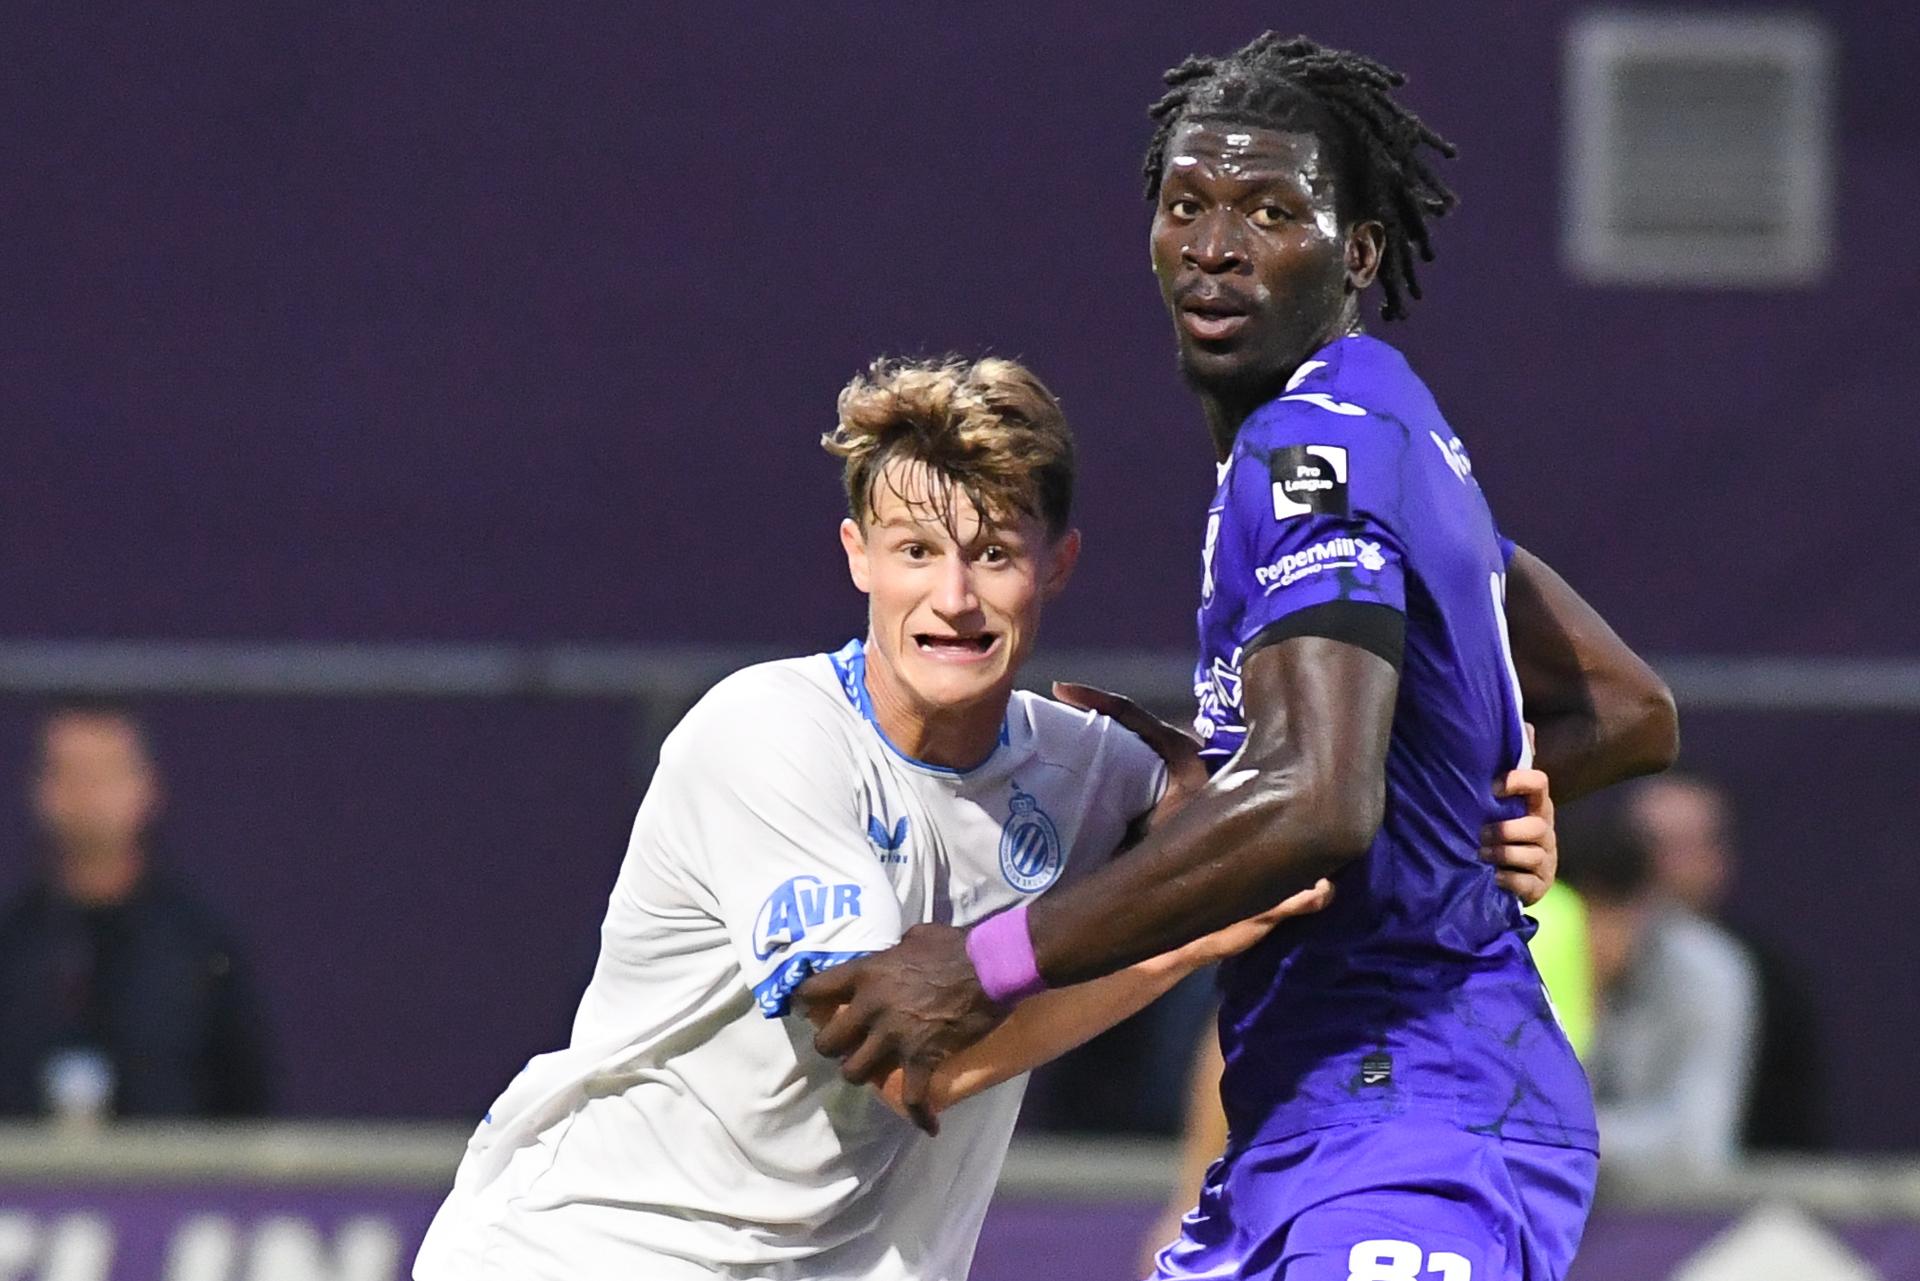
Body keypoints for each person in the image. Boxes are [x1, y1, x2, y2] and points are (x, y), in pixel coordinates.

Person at [799, 34, 1679, 1281]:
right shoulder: (1380, 426)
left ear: (1358, 251)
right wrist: (1462, 813)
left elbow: (1315, 799)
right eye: (1187, 207)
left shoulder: (1312, 456)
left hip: (1416, 1111)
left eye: (1269, 212)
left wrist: (980, 961)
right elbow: (1630, 712)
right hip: (1309, 1116)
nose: (1216, 245)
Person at [411, 355, 1559, 1281]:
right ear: (857, 556)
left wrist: (1483, 829)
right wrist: (1184, 933)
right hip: (588, 1252)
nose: (952, 600)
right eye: (916, 552)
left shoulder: (1085, 765)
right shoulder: (766, 737)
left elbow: (1288, 835)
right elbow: (911, 1064)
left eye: (994, 556)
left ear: (1056, 568)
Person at [0, 701, 273, 1119]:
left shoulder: (199, 948)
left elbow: (248, 1101)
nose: (86, 795)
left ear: (146, 787)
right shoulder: (11, 944)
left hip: (174, 1181)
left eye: (103, 775)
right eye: (69, 774)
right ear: (39, 790)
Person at [1622, 774, 1822, 1151]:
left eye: (1677, 847)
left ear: (1717, 860)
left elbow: (1705, 1141)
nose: (1656, 865)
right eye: (1642, 846)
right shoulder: (1576, 958)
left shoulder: (1766, 982)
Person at [1564, 804, 1758, 1174]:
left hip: (1684, 1219)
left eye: (1599, 915)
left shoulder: (1707, 971)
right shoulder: (1527, 964)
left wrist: (1552, 1137)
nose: (1585, 937)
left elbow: (1696, 1145)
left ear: (1638, 906)